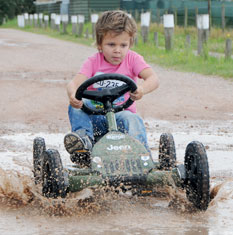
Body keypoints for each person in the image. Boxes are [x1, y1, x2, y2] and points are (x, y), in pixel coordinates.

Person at [64, 10, 159, 165]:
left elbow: (154, 79)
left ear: (130, 43)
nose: (117, 50)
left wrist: (142, 89)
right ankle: (83, 144)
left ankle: (142, 155)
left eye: (123, 45)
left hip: (122, 115)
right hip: (95, 116)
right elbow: (73, 84)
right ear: (100, 44)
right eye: (111, 44)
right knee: (75, 107)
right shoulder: (93, 62)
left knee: (133, 119)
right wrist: (73, 94)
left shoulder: (132, 59)